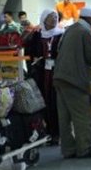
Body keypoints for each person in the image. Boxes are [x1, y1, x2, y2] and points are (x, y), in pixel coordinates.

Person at [53, 7, 91, 158]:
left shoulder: (70, 29)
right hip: (74, 79)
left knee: (65, 117)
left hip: (60, 76)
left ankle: (68, 149)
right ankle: (84, 149)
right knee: (82, 116)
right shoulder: (86, 32)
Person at [27, 9, 66, 145]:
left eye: (55, 17)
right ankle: (45, 131)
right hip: (42, 74)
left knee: (56, 102)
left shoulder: (62, 35)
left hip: (58, 72)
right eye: (51, 17)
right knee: (43, 101)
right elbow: (29, 53)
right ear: (44, 19)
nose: (54, 19)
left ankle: (57, 132)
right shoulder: (37, 35)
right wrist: (35, 61)